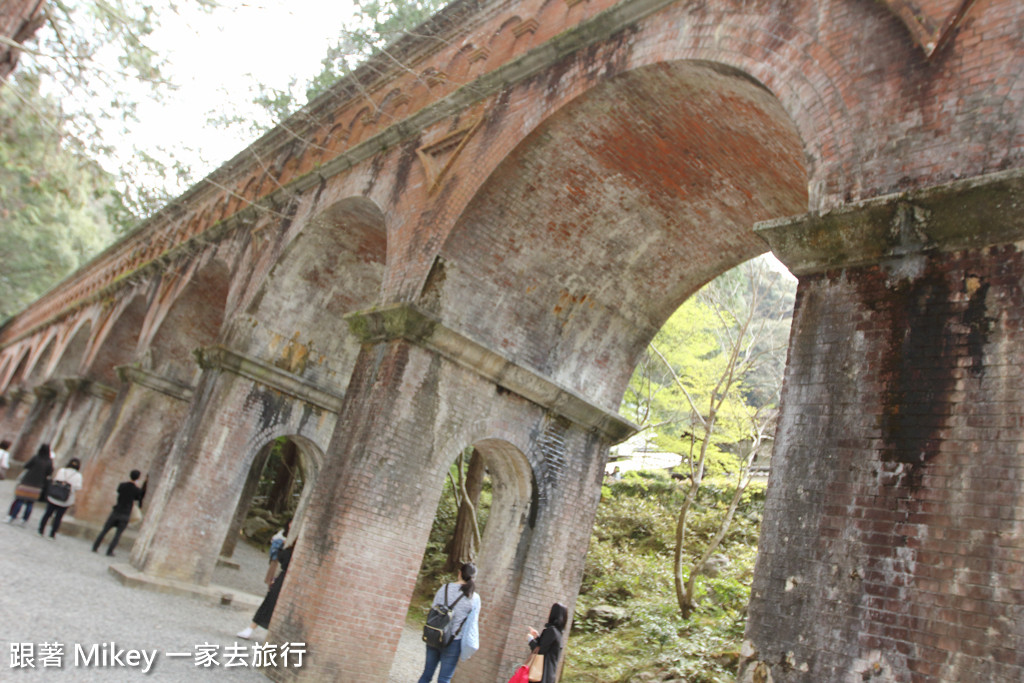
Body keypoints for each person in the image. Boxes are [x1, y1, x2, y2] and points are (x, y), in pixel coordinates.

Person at [417, 562, 481, 683]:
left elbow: (433, 609)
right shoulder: (474, 597)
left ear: (459, 573)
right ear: (473, 578)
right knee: (444, 679)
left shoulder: (444, 588)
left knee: (426, 674)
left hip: (435, 635)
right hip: (453, 641)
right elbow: (472, 624)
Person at [236, 538, 298, 640]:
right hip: (284, 581)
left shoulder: (290, 552)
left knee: (271, 605)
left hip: (286, 581)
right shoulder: (290, 552)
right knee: (270, 604)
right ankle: (251, 629)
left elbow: (282, 558)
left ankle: (252, 629)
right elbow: (282, 559)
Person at [91, 469, 147, 556]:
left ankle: (95, 546)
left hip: (116, 511)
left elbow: (119, 492)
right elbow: (139, 499)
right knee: (117, 535)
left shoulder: (122, 485)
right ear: (138, 478)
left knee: (104, 530)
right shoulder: (136, 490)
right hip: (125, 513)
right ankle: (110, 551)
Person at [5, 444, 54, 525]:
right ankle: (24, 520)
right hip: (38, 484)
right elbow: (49, 472)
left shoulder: (36, 458)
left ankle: (12, 516)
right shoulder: (49, 461)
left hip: (27, 482)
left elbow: (26, 465)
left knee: (19, 500)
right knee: (30, 503)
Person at [37, 456, 83, 539]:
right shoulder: (78, 476)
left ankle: (41, 529)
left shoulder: (62, 470)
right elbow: (78, 487)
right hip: (66, 499)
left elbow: (55, 479)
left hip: (54, 496)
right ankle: (52, 533)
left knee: (47, 514)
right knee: (58, 517)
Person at [526, 602, 568, 683]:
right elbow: (546, 647)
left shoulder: (551, 631)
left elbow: (540, 651)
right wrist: (537, 637)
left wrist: (530, 640)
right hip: (548, 675)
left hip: (540, 675)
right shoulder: (558, 633)